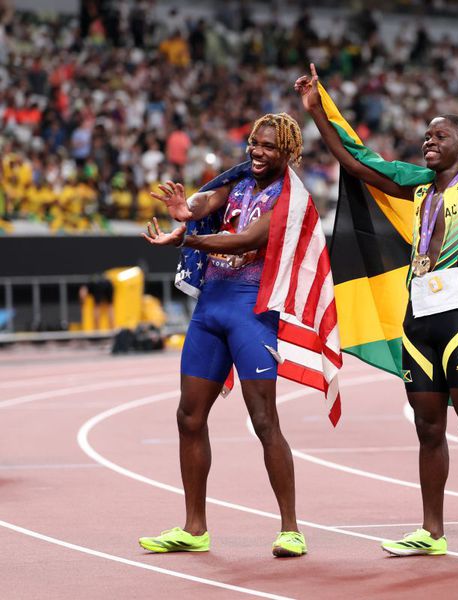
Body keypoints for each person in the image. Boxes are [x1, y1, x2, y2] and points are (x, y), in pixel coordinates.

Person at [295, 63, 458, 562]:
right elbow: (359, 165)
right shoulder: (419, 188)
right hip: (418, 322)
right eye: (426, 135)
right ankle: (431, 532)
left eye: (440, 136)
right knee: (427, 426)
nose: (428, 141)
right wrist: (317, 112)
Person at [138, 113, 308, 558]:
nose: (258, 151)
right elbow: (202, 205)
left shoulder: (289, 197)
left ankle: (291, 528)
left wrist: (186, 241)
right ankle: (195, 528)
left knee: (263, 420)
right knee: (188, 417)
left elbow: (246, 239)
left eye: (269, 146)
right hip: (212, 304)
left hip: (251, 309)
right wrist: (185, 212)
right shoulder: (238, 182)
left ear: (287, 152)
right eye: (254, 142)